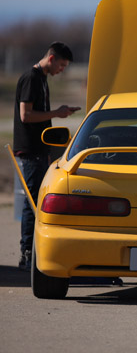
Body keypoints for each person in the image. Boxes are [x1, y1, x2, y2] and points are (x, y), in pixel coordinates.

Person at [13, 42, 80, 270]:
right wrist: (57, 113)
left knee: (37, 201)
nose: (62, 70)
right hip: (30, 151)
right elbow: (26, 115)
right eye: (61, 65)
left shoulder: (42, 79)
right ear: (51, 59)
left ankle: (33, 250)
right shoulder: (32, 78)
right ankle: (27, 253)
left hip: (41, 150)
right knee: (32, 202)